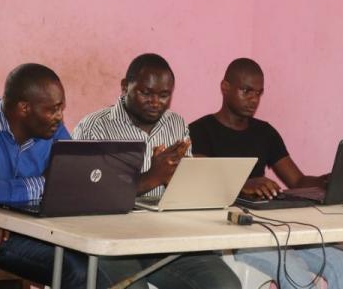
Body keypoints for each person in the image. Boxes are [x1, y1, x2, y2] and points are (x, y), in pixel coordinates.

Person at [189, 58, 343, 289]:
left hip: (278, 228)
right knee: (297, 276)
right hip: (237, 235)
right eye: (246, 91)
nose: (254, 99)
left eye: (259, 93)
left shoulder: (265, 132)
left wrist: (328, 180)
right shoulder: (200, 131)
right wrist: (245, 184)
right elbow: (202, 180)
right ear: (225, 87)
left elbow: (297, 181)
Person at [72, 53, 241, 289]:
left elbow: (186, 195)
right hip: (111, 240)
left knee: (225, 285)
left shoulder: (176, 123)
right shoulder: (95, 126)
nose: (155, 102)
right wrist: (152, 178)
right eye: (146, 93)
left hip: (166, 238)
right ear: (124, 87)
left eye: (164, 95)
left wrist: (178, 180)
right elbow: (84, 198)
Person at [0, 63, 87, 289]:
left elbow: (72, 178)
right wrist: (40, 185)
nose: (59, 117)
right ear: (24, 108)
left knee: (82, 268)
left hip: (20, 229)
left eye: (61, 108)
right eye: (53, 109)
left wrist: (2, 209)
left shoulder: (52, 128)